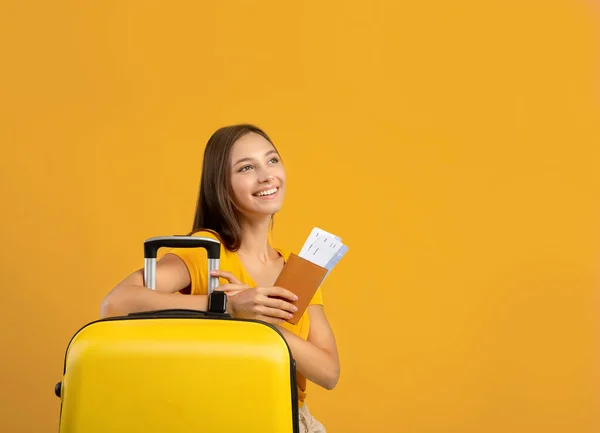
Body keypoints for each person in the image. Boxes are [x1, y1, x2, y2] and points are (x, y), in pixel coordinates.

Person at [100, 124, 340, 432]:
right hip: (221, 418)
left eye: (272, 160)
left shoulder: (297, 268)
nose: (266, 175)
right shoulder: (205, 253)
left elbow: (328, 372)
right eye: (246, 168)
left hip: (291, 421)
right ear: (221, 185)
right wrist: (225, 307)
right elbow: (115, 303)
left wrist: (261, 324)